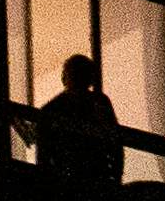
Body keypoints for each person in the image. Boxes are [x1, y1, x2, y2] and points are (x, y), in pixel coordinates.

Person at [33, 52, 127, 192]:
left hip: (68, 178)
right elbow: (115, 141)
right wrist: (116, 176)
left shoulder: (52, 109)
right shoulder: (100, 102)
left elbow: (43, 153)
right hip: (97, 176)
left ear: (65, 77)